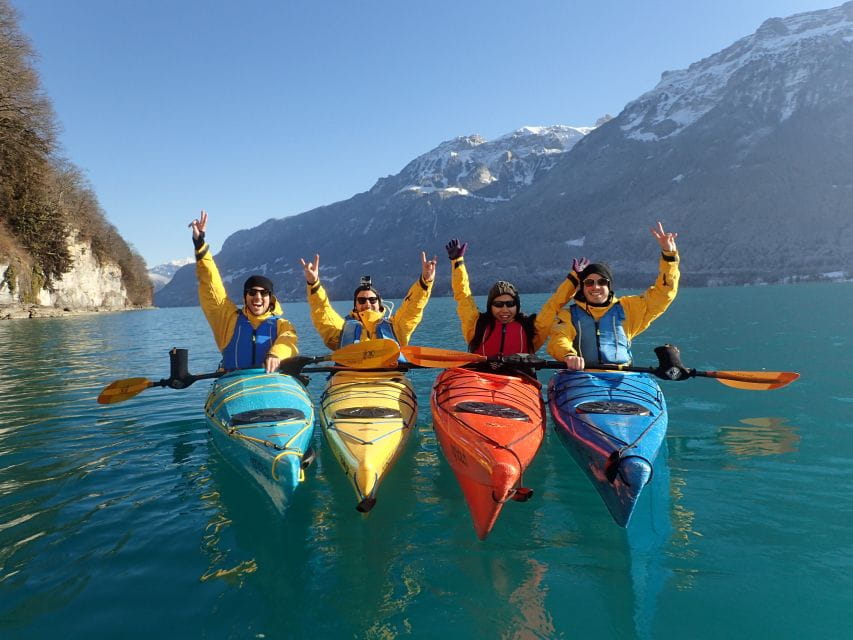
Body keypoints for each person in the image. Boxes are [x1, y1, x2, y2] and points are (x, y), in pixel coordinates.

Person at [547, 221, 680, 369]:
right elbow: (559, 338)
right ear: (582, 286)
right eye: (589, 282)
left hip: (622, 378)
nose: (595, 287)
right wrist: (568, 355)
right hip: (583, 377)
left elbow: (663, 294)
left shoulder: (629, 308)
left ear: (609, 286)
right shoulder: (568, 315)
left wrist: (669, 257)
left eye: (602, 282)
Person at [189, 210, 298, 373]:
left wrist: (276, 354)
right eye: (252, 292)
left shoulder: (283, 325)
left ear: (271, 297)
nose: (257, 297)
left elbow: (288, 341)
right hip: (233, 384)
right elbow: (211, 283)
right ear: (245, 297)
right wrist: (200, 244)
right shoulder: (227, 320)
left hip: (270, 384)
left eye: (264, 293)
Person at [444, 238, 582, 362]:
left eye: (510, 304)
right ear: (490, 306)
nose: (505, 309)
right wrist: (457, 262)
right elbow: (463, 296)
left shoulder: (532, 328)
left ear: (517, 306)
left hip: (517, 384)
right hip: (481, 381)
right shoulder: (476, 325)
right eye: (498, 304)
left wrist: (574, 279)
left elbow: (554, 305)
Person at [299, 252, 437, 351]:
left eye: (372, 299)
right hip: (349, 381)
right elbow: (322, 311)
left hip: (388, 380)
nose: (367, 304)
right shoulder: (341, 329)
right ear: (355, 305)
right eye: (361, 300)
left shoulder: (396, 328)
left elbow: (413, 308)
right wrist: (313, 283)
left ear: (379, 303)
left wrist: (425, 282)